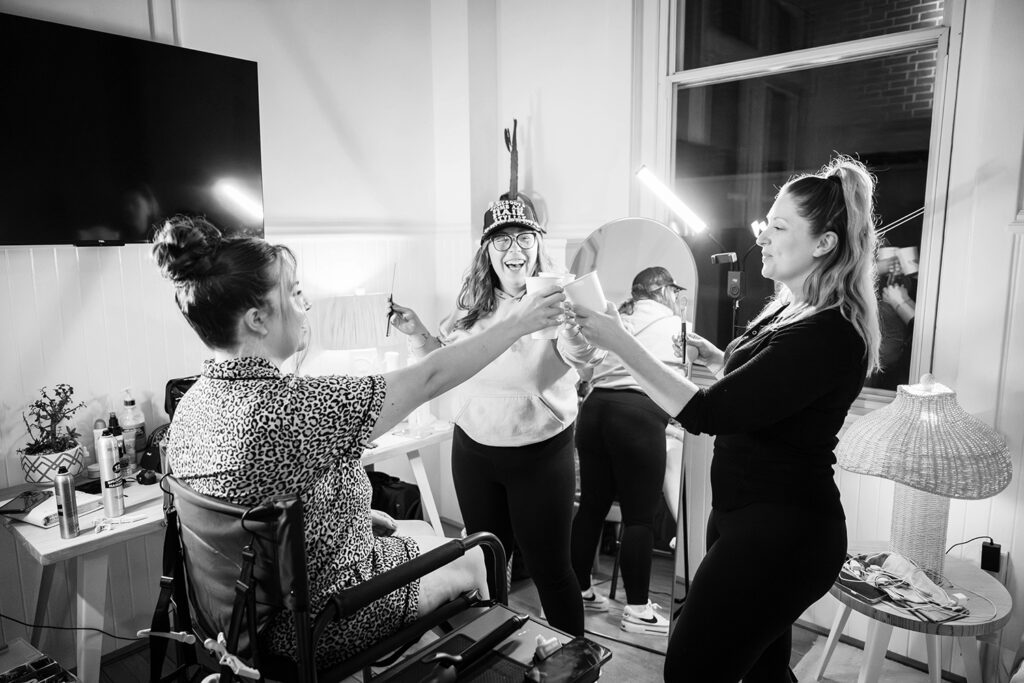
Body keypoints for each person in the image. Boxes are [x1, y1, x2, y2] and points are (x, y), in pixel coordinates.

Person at [152, 214, 565, 668]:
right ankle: (490, 671)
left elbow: (261, 507)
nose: (304, 303)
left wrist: (355, 515)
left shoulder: (189, 407)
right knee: (482, 555)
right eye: (293, 292)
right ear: (256, 319)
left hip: (238, 622)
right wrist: (519, 322)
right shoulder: (294, 406)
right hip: (315, 622)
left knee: (421, 529)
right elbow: (430, 377)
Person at [574, 156, 881, 681]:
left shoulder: (831, 330)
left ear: (823, 244)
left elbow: (709, 413)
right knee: (762, 670)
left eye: (779, 227)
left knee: (692, 670)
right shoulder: (791, 309)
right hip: (745, 517)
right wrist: (720, 360)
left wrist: (620, 342)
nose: (761, 236)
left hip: (784, 534)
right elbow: (771, 386)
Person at [389, 121, 604, 636]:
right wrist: (419, 333)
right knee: (487, 567)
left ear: (537, 245)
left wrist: (576, 328)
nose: (514, 249)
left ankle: (577, 664)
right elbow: (446, 369)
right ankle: (493, 654)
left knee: (553, 572)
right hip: (475, 450)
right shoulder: (470, 310)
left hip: (541, 454)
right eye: (501, 239)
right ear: (487, 251)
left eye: (524, 238)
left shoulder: (556, 300)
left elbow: (569, 364)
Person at [569, 266, 687, 635]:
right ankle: (637, 610)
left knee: (591, 507)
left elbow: (588, 371)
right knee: (639, 517)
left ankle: (577, 590)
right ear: (663, 291)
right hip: (637, 417)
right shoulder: (673, 323)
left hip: (595, 411)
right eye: (673, 291)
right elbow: (677, 381)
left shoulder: (616, 317)